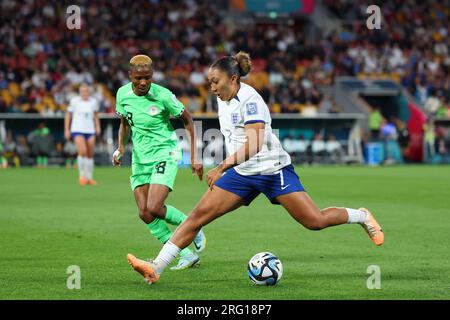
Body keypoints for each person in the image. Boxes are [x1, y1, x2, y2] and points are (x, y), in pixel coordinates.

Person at [126, 52, 385, 284]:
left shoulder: (251, 100)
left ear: (234, 78)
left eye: (216, 82)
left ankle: (361, 216)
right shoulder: (222, 98)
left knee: (314, 221)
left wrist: (222, 166)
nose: (212, 88)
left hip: (273, 170)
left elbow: (255, 143)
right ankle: (155, 267)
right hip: (243, 174)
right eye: (210, 83)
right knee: (196, 218)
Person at [112, 54, 206, 271]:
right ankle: (186, 255)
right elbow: (124, 123)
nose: (143, 82)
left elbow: (188, 119)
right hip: (140, 159)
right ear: (130, 76)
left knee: (154, 206)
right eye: (138, 78)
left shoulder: (163, 95)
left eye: (147, 77)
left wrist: (194, 156)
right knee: (145, 213)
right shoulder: (122, 94)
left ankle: (194, 226)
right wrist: (119, 148)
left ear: (152, 75)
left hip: (165, 153)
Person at [64, 83, 101, 185]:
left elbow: (96, 115)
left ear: (89, 92)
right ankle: (82, 176)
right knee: (82, 151)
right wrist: (66, 129)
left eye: (86, 91)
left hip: (90, 130)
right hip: (77, 129)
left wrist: (98, 126)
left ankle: (89, 177)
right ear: (79, 92)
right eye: (82, 91)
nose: (84, 93)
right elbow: (68, 115)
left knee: (90, 154)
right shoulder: (74, 101)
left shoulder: (93, 102)